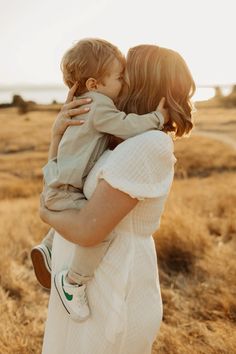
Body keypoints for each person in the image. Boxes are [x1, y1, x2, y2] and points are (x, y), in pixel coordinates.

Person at [40, 44, 195, 354]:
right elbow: (73, 172)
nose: (120, 81)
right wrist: (59, 134)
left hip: (112, 285)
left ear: (142, 83)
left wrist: (45, 210)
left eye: (125, 75)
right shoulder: (122, 138)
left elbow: (88, 230)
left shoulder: (147, 145)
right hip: (87, 283)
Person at [31, 38, 168, 322]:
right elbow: (125, 125)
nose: (124, 84)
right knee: (100, 228)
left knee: (79, 206)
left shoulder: (84, 103)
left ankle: (49, 245)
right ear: (94, 84)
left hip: (58, 181)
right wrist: (157, 117)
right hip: (65, 188)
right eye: (119, 78)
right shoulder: (100, 106)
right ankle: (74, 282)